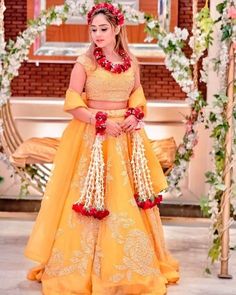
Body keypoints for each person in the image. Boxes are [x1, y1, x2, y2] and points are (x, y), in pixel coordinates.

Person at [24, 2, 179, 294]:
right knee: (90, 196)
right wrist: (100, 121)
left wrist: (134, 115)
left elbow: (137, 94)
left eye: (103, 29)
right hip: (93, 136)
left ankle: (128, 266)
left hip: (126, 137)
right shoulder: (84, 63)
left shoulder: (131, 62)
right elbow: (73, 102)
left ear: (117, 28)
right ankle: (81, 267)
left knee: (126, 199)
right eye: (94, 29)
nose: (97, 34)